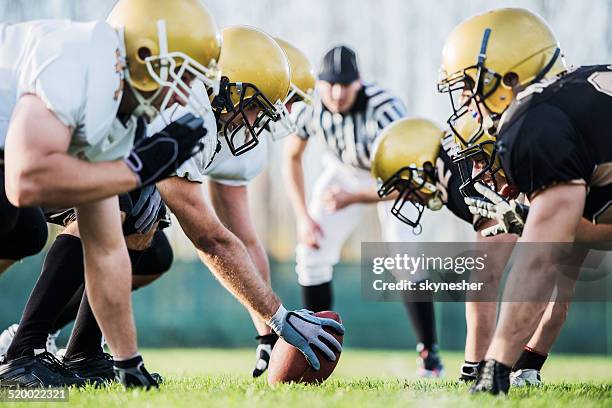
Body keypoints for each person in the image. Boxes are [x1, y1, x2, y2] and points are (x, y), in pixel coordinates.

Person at [0, 0, 215, 388]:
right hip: (10, 170)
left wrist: (128, 362)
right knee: (9, 217)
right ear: (146, 53)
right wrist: (134, 170)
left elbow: (105, 247)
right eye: (181, 75)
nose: (184, 94)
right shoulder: (78, 56)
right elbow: (25, 179)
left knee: (27, 230)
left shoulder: (119, 106)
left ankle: (57, 355)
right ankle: (17, 360)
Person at [437, 7, 612, 394]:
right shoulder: (575, 98)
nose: (466, 101)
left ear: (510, 76)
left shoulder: (532, 122)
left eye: (469, 85)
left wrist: (495, 367)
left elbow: (539, 262)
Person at [284, 45, 443, 376]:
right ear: (321, 83)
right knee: (311, 252)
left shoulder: (384, 110)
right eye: (330, 84)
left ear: (359, 82)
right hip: (342, 169)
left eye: (345, 84)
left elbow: (405, 182)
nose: (337, 93)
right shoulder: (312, 105)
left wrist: (352, 197)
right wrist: (303, 217)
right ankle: (317, 347)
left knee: (405, 256)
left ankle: (429, 353)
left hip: (393, 175)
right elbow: (292, 157)